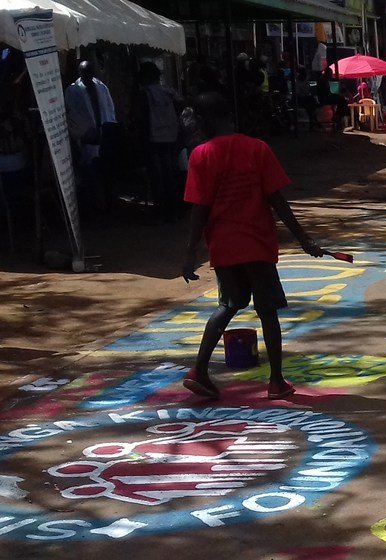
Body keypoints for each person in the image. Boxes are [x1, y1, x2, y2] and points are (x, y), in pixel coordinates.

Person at [177, 92, 329, 400]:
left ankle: (200, 370)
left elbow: (199, 209)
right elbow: (277, 200)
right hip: (256, 244)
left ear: (204, 123)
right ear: (231, 118)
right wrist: (303, 238)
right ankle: (276, 381)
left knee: (228, 305)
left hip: (224, 245)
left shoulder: (201, 155)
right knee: (267, 311)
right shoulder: (256, 149)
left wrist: (191, 249)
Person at [64, 60, 116, 215]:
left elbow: (109, 107)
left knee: (106, 171)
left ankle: (108, 205)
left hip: (104, 133)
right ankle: (95, 207)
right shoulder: (73, 91)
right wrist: (81, 134)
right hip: (87, 138)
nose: (88, 76)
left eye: (90, 72)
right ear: (80, 73)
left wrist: (110, 125)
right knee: (90, 172)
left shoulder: (101, 87)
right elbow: (71, 114)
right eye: (84, 73)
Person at [137, 61, 185, 222]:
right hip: (170, 137)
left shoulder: (145, 94)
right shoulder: (168, 91)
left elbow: (142, 120)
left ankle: (161, 212)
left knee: (157, 176)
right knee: (169, 174)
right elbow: (182, 105)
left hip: (153, 139)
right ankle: (173, 211)